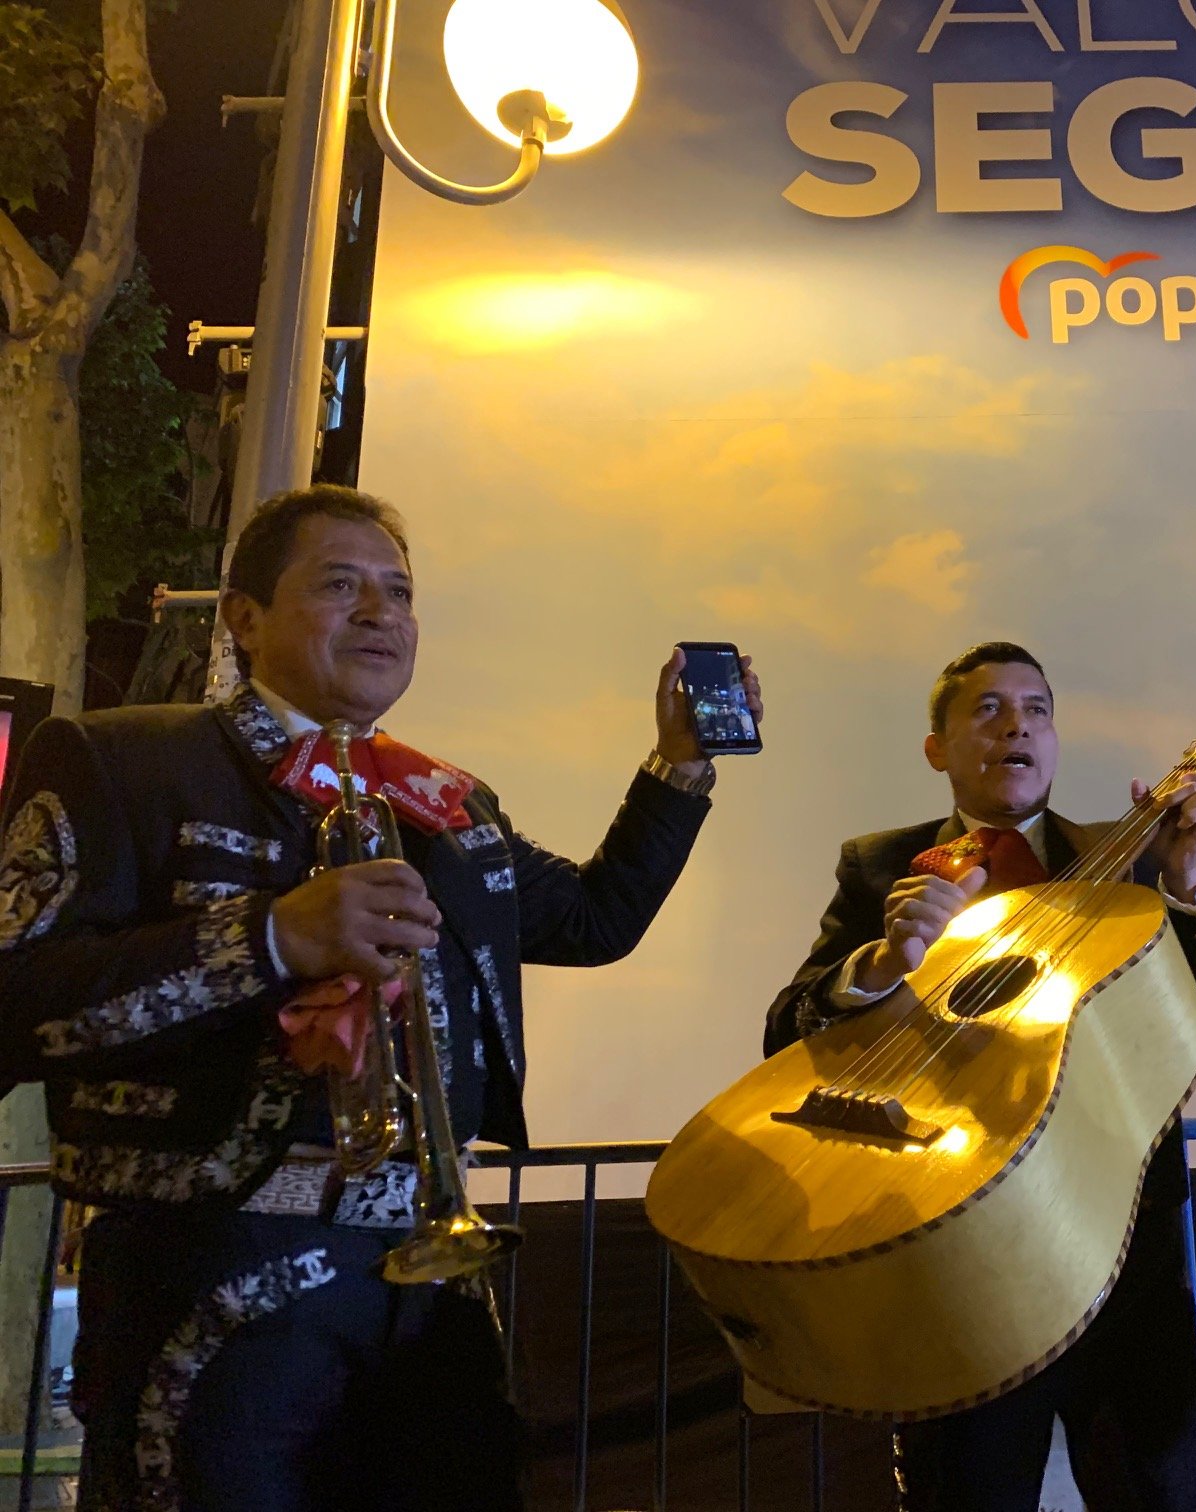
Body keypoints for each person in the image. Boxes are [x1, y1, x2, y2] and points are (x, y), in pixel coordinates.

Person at [0, 484, 762, 1512]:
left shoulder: (444, 803)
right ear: (244, 617)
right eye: (341, 586)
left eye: (400, 594)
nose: (381, 614)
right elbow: (14, 1000)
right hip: (208, 1271)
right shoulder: (126, 760)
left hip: (424, 1283)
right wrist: (269, 937)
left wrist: (679, 764)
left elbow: (591, 923)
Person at [765, 642, 1196, 1512]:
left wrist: (1186, 883)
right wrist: (879, 964)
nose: (1016, 725)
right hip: (957, 1248)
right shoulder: (881, 866)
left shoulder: (1131, 855)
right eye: (987, 709)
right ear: (937, 749)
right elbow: (785, 1031)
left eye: (1036, 709)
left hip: (1124, 1246)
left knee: (1159, 1492)